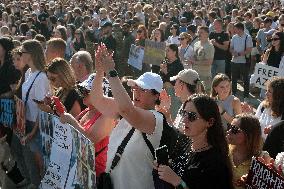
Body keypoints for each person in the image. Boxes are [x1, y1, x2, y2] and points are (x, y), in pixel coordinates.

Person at [91, 44, 164, 189]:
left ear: (156, 96)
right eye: (134, 88)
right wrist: (100, 71)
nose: (136, 92)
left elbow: (127, 110)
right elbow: (97, 100)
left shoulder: (157, 119)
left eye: (142, 90)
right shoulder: (129, 108)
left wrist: (111, 70)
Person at [156, 94, 233, 189]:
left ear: (210, 122)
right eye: (184, 113)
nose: (184, 119)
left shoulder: (216, 163)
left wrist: (177, 182)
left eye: (191, 116)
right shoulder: (186, 143)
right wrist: (164, 168)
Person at [60, 73, 114, 177]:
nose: (81, 94)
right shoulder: (87, 110)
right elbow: (72, 130)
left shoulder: (108, 116)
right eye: (81, 90)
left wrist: (71, 119)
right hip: (80, 166)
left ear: (100, 95)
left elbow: (89, 139)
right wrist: (60, 112)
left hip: (95, 173)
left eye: (86, 91)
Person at [20, 39, 50, 186]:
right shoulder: (28, 73)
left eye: (22, 52)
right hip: (26, 121)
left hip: (35, 126)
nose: (20, 55)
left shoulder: (41, 77)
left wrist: (33, 132)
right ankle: (34, 183)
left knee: (40, 162)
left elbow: (42, 108)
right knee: (28, 158)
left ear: (30, 54)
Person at [226, 114, 262, 189]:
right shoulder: (225, 150)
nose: (229, 131)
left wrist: (252, 183)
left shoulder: (261, 159)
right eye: (229, 126)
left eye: (234, 129)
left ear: (249, 134)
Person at [160, 44, 184, 119]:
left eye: (168, 51)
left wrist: (166, 72)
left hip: (173, 93)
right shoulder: (166, 63)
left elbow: (176, 81)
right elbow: (162, 77)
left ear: (174, 52)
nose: (166, 52)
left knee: (173, 114)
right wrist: (162, 71)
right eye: (166, 50)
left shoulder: (179, 65)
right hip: (164, 91)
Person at [230, 22, 253, 101]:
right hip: (234, 61)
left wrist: (239, 54)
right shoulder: (234, 37)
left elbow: (249, 50)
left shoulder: (248, 37)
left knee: (245, 79)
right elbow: (231, 48)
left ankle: (246, 96)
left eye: (235, 29)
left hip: (244, 62)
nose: (234, 30)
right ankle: (233, 94)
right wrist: (233, 52)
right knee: (234, 79)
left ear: (240, 29)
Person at [192, 26, 215, 93]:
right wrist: (191, 60)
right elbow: (195, 56)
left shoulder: (209, 46)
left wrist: (195, 62)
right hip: (195, 74)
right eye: (198, 32)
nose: (199, 34)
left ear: (207, 34)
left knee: (205, 97)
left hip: (205, 76)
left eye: (201, 32)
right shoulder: (196, 44)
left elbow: (209, 62)